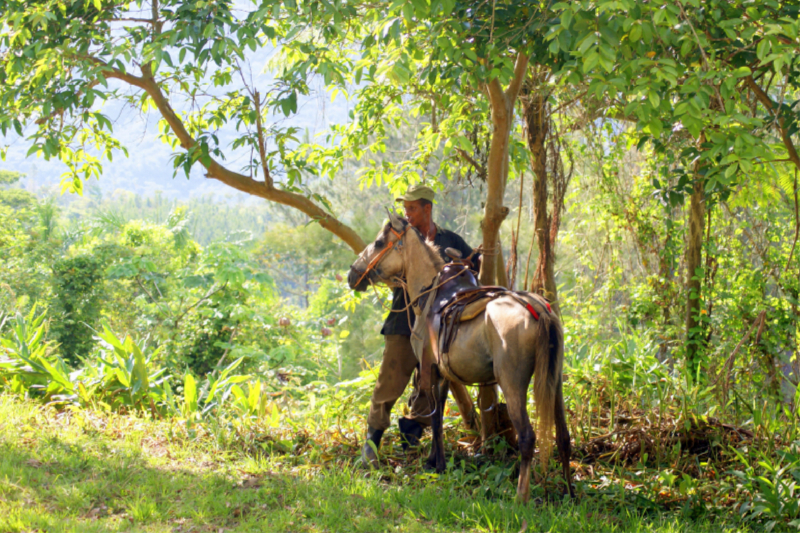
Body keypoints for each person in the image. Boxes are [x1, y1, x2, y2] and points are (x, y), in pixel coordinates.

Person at [361, 183, 477, 467]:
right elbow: (381, 268)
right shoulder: (398, 239)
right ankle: (370, 447)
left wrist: (462, 266)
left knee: (431, 388)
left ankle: (410, 442)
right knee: (388, 384)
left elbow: (475, 269)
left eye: (412, 208)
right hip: (404, 322)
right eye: (405, 208)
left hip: (439, 325)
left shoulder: (452, 238)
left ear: (427, 208)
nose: (407, 213)